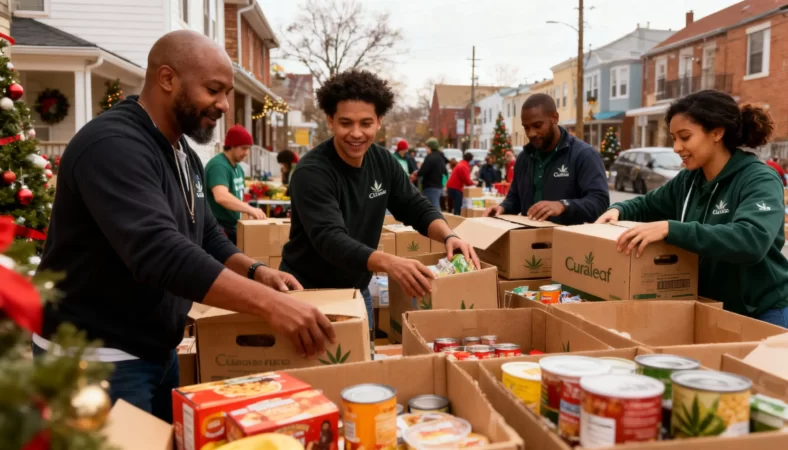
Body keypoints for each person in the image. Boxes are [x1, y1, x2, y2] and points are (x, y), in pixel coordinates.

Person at [34, 30, 335, 422]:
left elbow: (205, 234)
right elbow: (159, 253)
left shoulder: (182, 152)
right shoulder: (112, 145)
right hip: (95, 361)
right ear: (167, 78)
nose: (224, 105)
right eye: (214, 90)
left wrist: (259, 273)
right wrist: (270, 306)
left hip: (155, 352)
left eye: (227, 92)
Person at [279, 69, 480, 345]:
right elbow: (330, 239)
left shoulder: (383, 161)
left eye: (366, 123)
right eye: (346, 123)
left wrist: (449, 235)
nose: (356, 133)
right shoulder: (311, 172)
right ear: (330, 120)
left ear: (379, 121)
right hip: (307, 293)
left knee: (363, 375)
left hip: (356, 290)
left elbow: (414, 205)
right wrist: (390, 263)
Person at [596, 90, 788, 326]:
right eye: (673, 138)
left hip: (763, 310)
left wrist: (672, 229)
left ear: (717, 132)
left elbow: (752, 240)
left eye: (685, 137)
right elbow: (647, 204)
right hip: (712, 307)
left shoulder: (759, 178)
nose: (676, 147)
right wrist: (619, 210)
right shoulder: (689, 179)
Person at [486, 94, 609, 224]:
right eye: (526, 127)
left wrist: (563, 205)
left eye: (537, 125)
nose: (531, 133)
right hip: (528, 240)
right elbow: (514, 198)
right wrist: (503, 207)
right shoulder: (524, 158)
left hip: (570, 240)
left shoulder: (584, 155)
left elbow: (599, 202)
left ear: (554, 118)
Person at [205, 124, 266, 244]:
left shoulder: (238, 168)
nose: (247, 153)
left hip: (233, 228)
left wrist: (247, 214)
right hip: (218, 229)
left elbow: (238, 199)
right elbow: (221, 196)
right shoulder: (218, 166)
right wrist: (250, 209)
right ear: (232, 146)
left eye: (248, 148)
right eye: (243, 148)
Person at [411, 138, 448, 208]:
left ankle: (438, 219)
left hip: (431, 187)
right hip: (438, 185)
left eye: (426, 147)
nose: (426, 149)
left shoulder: (430, 158)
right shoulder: (441, 157)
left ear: (430, 147)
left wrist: (416, 173)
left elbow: (423, 171)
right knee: (433, 206)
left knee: (434, 207)